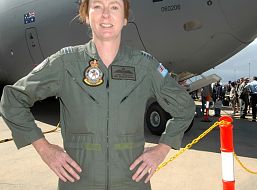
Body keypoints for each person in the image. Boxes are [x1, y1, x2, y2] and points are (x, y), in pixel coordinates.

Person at [0, 0, 196, 189]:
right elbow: (12, 99)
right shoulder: (65, 63)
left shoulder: (145, 65)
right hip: (78, 183)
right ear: (86, 15)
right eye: (97, 6)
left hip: (131, 183)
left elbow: (185, 107)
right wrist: (45, 149)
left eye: (114, 7)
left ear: (125, 17)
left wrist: (161, 150)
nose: (106, 14)